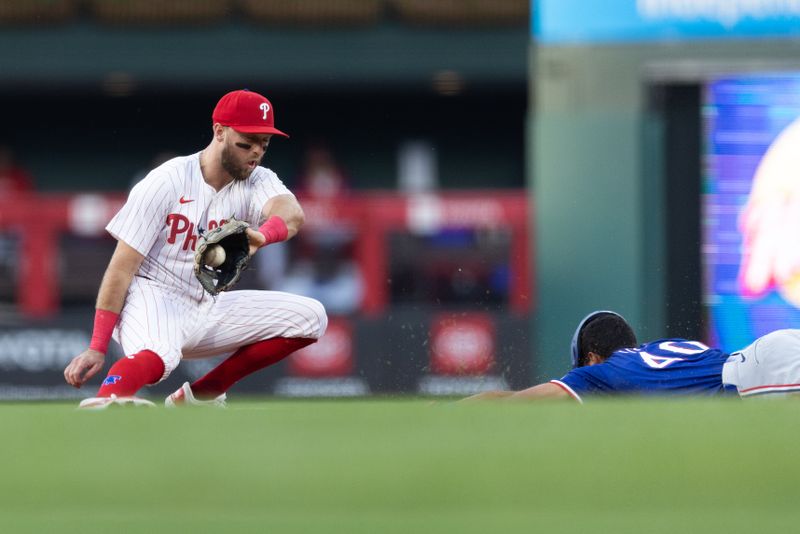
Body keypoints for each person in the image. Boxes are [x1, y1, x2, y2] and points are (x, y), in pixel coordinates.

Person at [63, 89, 328, 408]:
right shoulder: (167, 180)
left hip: (208, 303)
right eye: (247, 142)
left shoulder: (257, 179)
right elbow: (121, 268)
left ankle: (202, 394)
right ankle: (107, 401)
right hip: (152, 295)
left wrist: (263, 235)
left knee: (312, 317)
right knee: (160, 357)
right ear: (219, 131)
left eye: (264, 143)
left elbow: (292, 213)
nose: (255, 152)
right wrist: (97, 346)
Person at [466, 310, 800, 403]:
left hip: (759, 379)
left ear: (591, 358)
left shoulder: (600, 373)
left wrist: (450, 411)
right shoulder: (658, 350)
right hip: (767, 353)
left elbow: (513, 401)